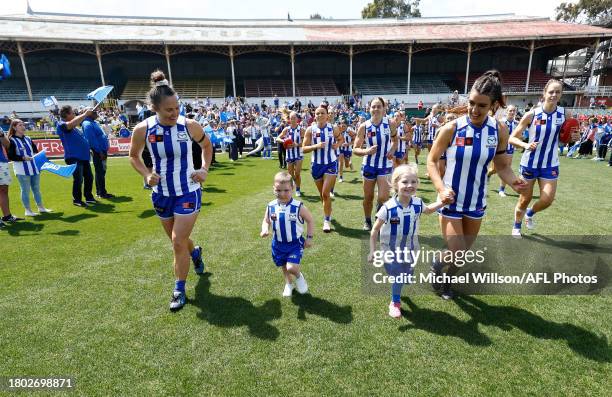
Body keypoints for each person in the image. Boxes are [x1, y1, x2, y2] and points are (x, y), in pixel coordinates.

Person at [427, 70, 527, 299]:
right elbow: (431, 161)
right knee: (458, 251)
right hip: (451, 201)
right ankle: (437, 267)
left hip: (476, 202)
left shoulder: (499, 130)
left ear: (493, 105)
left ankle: (445, 279)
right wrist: (441, 189)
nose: (474, 109)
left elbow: (502, 166)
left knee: (462, 254)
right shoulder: (452, 128)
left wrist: (513, 182)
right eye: (471, 103)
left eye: (481, 105)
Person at [129, 70, 213, 312]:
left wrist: (204, 168)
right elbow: (133, 157)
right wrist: (146, 174)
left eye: (177, 108)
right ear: (154, 107)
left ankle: (179, 289)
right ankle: (195, 254)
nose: (175, 113)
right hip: (161, 194)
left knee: (177, 242)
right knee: (181, 242)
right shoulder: (143, 129)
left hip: (189, 191)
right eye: (169, 110)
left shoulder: (190, 126)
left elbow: (207, 146)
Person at [368, 165, 445, 318]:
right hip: (390, 249)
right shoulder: (388, 208)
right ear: (395, 184)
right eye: (405, 182)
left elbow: (428, 210)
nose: (410, 185)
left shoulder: (418, 203)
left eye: (413, 181)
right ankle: (395, 302)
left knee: (404, 274)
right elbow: (375, 230)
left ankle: (399, 280)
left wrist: (444, 202)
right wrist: (372, 250)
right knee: (398, 276)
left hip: (411, 248)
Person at [508, 79, 578, 238]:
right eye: (551, 92)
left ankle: (530, 214)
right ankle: (517, 226)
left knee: (547, 199)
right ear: (544, 93)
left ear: (561, 95)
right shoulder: (532, 114)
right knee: (524, 200)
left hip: (550, 164)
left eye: (557, 92)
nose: (554, 95)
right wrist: (526, 145)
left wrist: (574, 136)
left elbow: (570, 135)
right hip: (529, 163)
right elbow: (512, 138)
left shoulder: (565, 114)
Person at [260, 171, 314, 297]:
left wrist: (309, 238)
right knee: (284, 266)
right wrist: (264, 229)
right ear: (274, 189)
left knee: (291, 268)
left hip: (294, 244)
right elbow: (266, 220)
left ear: (292, 188)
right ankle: (288, 284)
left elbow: (310, 220)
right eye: (278, 190)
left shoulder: (298, 206)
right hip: (278, 244)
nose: (282, 194)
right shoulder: (271, 206)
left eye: (286, 190)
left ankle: (299, 277)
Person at [352, 97, 398, 231]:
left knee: (383, 196)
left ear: (384, 109)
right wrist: (367, 150)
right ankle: (367, 220)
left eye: (379, 106)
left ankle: (379, 216)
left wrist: (392, 149)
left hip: (385, 165)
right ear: (369, 108)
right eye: (373, 106)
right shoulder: (364, 126)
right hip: (369, 166)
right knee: (368, 197)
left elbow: (395, 141)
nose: (376, 109)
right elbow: (355, 149)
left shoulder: (390, 123)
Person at [302, 104, 344, 232]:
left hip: (330, 163)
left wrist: (337, 145)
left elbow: (340, 139)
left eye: (322, 113)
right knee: (323, 196)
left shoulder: (333, 128)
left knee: (326, 193)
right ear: (315, 116)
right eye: (317, 113)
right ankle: (328, 211)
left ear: (327, 115)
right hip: (316, 166)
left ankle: (326, 220)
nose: (320, 115)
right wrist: (316, 146)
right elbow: (303, 148)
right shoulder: (310, 130)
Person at [7, 119, 52, 216]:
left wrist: (40, 156)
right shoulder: (11, 140)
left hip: (34, 168)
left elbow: (35, 151)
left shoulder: (28, 138)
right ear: (14, 127)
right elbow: (10, 156)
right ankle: (28, 210)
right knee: (25, 190)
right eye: (20, 125)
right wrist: (23, 158)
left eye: (23, 124)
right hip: (21, 170)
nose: (23, 127)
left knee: (36, 188)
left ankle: (41, 208)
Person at [56, 105, 97, 207]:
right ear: (66, 114)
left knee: (89, 177)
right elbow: (69, 125)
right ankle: (77, 200)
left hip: (83, 157)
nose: (74, 114)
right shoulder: (61, 124)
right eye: (72, 113)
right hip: (73, 157)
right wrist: (85, 114)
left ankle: (89, 197)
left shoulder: (74, 127)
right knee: (78, 179)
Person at [487, 105, 519, 197]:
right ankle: (488, 174)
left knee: (506, 168)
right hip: (500, 149)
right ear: (506, 112)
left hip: (510, 150)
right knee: (495, 169)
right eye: (510, 111)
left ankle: (501, 190)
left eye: (513, 111)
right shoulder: (501, 123)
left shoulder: (516, 123)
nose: (512, 112)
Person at [82, 111, 114, 199]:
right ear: (89, 114)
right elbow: (91, 140)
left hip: (101, 150)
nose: (96, 113)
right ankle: (101, 192)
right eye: (94, 112)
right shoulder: (88, 124)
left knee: (101, 171)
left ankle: (100, 191)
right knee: (100, 171)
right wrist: (99, 151)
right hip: (98, 151)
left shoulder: (92, 123)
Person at [0, 126, 23, 227]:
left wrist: (1, 135)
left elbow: (7, 145)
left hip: (2, 162)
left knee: (4, 190)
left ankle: (7, 216)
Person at [277, 111, 304, 197]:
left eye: (294, 118)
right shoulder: (286, 129)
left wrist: (297, 144)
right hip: (289, 155)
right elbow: (277, 138)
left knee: (298, 173)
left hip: (298, 154)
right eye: (291, 118)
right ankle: (292, 188)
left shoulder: (301, 129)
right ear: (289, 119)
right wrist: (283, 141)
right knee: (290, 175)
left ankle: (298, 189)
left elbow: (305, 143)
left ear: (297, 119)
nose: (292, 120)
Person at [338, 117, 355, 183]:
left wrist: (348, 144)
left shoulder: (350, 131)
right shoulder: (338, 130)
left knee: (347, 165)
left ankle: (349, 162)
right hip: (340, 149)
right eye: (341, 124)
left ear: (347, 125)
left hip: (348, 149)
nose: (342, 126)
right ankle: (341, 177)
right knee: (341, 162)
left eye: (344, 125)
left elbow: (355, 140)